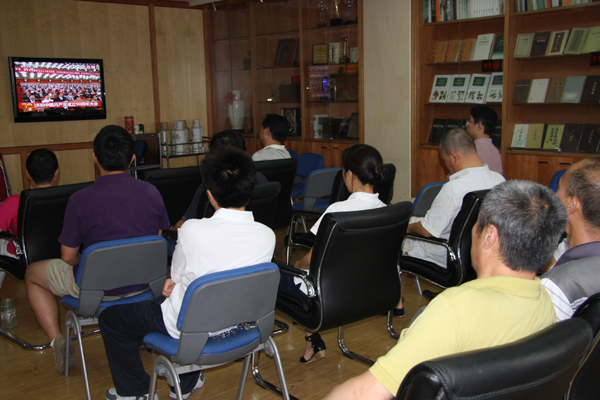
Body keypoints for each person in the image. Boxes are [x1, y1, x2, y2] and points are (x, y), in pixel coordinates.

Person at [323, 180, 567, 400]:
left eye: (476, 223)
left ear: (489, 236)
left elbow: (365, 393)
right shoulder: (546, 304)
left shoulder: (456, 309)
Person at [99, 146, 276, 400]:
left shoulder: (192, 230)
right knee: (171, 300)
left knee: (111, 319)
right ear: (250, 191)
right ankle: (187, 381)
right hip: (238, 324)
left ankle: (135, 392)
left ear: (210, 195)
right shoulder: (267, 236)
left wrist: (172, 281)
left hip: (189, 328)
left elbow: (176, 277)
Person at [24, 125, 170, 374]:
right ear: (132, 158)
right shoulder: (152, 192)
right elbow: (156, 242)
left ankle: (57, 340)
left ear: (94, 157)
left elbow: (67, 257)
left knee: (32, 274)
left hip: (98, 291)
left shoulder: (79, 200)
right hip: (144, 286)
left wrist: (91, 261)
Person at [279, 144, 387, 364]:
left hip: (333, 295)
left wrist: (296, 265)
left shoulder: (337, 212)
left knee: (279, 276)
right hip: (372, 293)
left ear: (350, 175)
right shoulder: (387, 211)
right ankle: (312, 340)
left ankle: (309, 338)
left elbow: (313, 259)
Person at [402, 128, 505, 269]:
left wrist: (406, 227)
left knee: (396, 232)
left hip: (445, 255)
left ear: (454, 157)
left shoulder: (452, 189)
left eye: (444, 160)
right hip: (482, 255)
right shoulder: (499, 181)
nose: (446, 165)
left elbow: (427, 231)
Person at [171, 130, 267, 232]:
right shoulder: (260, 178)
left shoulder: (208, 185)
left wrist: (172, 229)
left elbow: (183, 225)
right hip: (254, 233)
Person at [541, 158, 600, 320]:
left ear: (571, 205)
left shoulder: (556, 287)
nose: (554, 196)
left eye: (559, 188)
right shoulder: (569, 247)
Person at [0, 149, 59, 259]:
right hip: (57, 253)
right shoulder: (71, 200)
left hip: (21, 255)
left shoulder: (14, 202)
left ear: (28, 174)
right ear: (56, 173)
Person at [465, 105, 503, 175]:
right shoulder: (495, 151)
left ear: (479, 125)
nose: (466, 125)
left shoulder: (472, 150)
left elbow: (454, 177)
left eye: (469, 121)